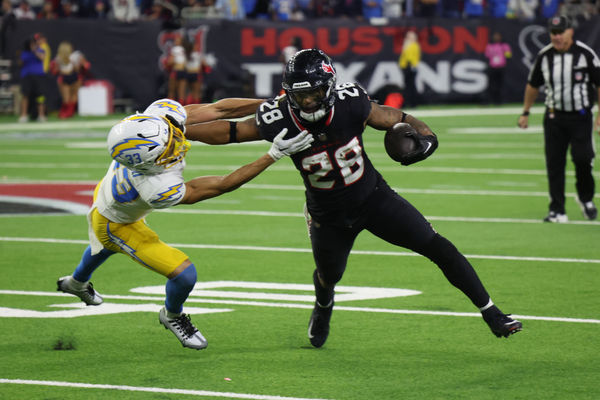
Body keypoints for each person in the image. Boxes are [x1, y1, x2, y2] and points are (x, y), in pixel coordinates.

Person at [185, 49, 523, 347]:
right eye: (300, 95)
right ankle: (323, 306)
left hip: (373, 198)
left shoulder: (352, 102)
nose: (307, 102)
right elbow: (230, 132)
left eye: (315, 93)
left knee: (437, 246)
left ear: (329, 87)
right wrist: (182, 130)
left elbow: (399, 118)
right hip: (327, 214)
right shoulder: (279, 118)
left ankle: (491, 312)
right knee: (329, 275)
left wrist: (427, 138)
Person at [56, 98, 313, 350]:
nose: (177, 142)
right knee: (183, 274)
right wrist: (273, 154)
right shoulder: (157, 187)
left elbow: (219, 108)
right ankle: (172, 315)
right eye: (167, 147)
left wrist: (274, 102)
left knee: (105, 244)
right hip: (117, 223)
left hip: (108, 197)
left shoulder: (158, 119)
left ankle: (76, 284)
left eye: (170, 136)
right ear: (148, 164)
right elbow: (222, 184)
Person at [518, 16, 600, 223]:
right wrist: (525, 112)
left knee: (583, 159)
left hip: (581, 116)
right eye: (553, 33)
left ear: (570, 32)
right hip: (554, 116)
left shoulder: (585, 54)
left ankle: (586, 198)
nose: (557, 37)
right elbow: (532, 84)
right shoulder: (544, 56)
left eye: (560, 32)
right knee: (555, 163)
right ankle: (557, 210)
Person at [17, 36, 48, 122]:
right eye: (31, 44)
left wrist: (34, 51)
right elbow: (20, 64)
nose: (33, 45)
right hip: (27, 76)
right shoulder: (24, 53)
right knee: (25, 95)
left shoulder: (41, 51)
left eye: (34, 43)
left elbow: (42, 58)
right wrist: (20, 56)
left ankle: (41, 116)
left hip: (39, 76)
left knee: (40, 96)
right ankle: (24, 115)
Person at [484, 32, 511, 105]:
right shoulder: (490, 46)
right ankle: (488, 101)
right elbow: (487, 56)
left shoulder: (504, 46)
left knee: (500, 85)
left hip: (501, 67)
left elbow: (508, 56)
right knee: (490, 85)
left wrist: (505, 52)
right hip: (492, 67)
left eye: (498, 36)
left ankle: (499, 101)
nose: (496, 38)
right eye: (495, 36)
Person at [398, 30, 420, 108]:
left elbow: (410, 57)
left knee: (411, 86)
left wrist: (406, 47)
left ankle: (413, 103)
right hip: (406, 67)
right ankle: (408, 102)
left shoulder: (413, 45)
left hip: (410, 67)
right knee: (408, 86)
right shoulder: (409, 45)